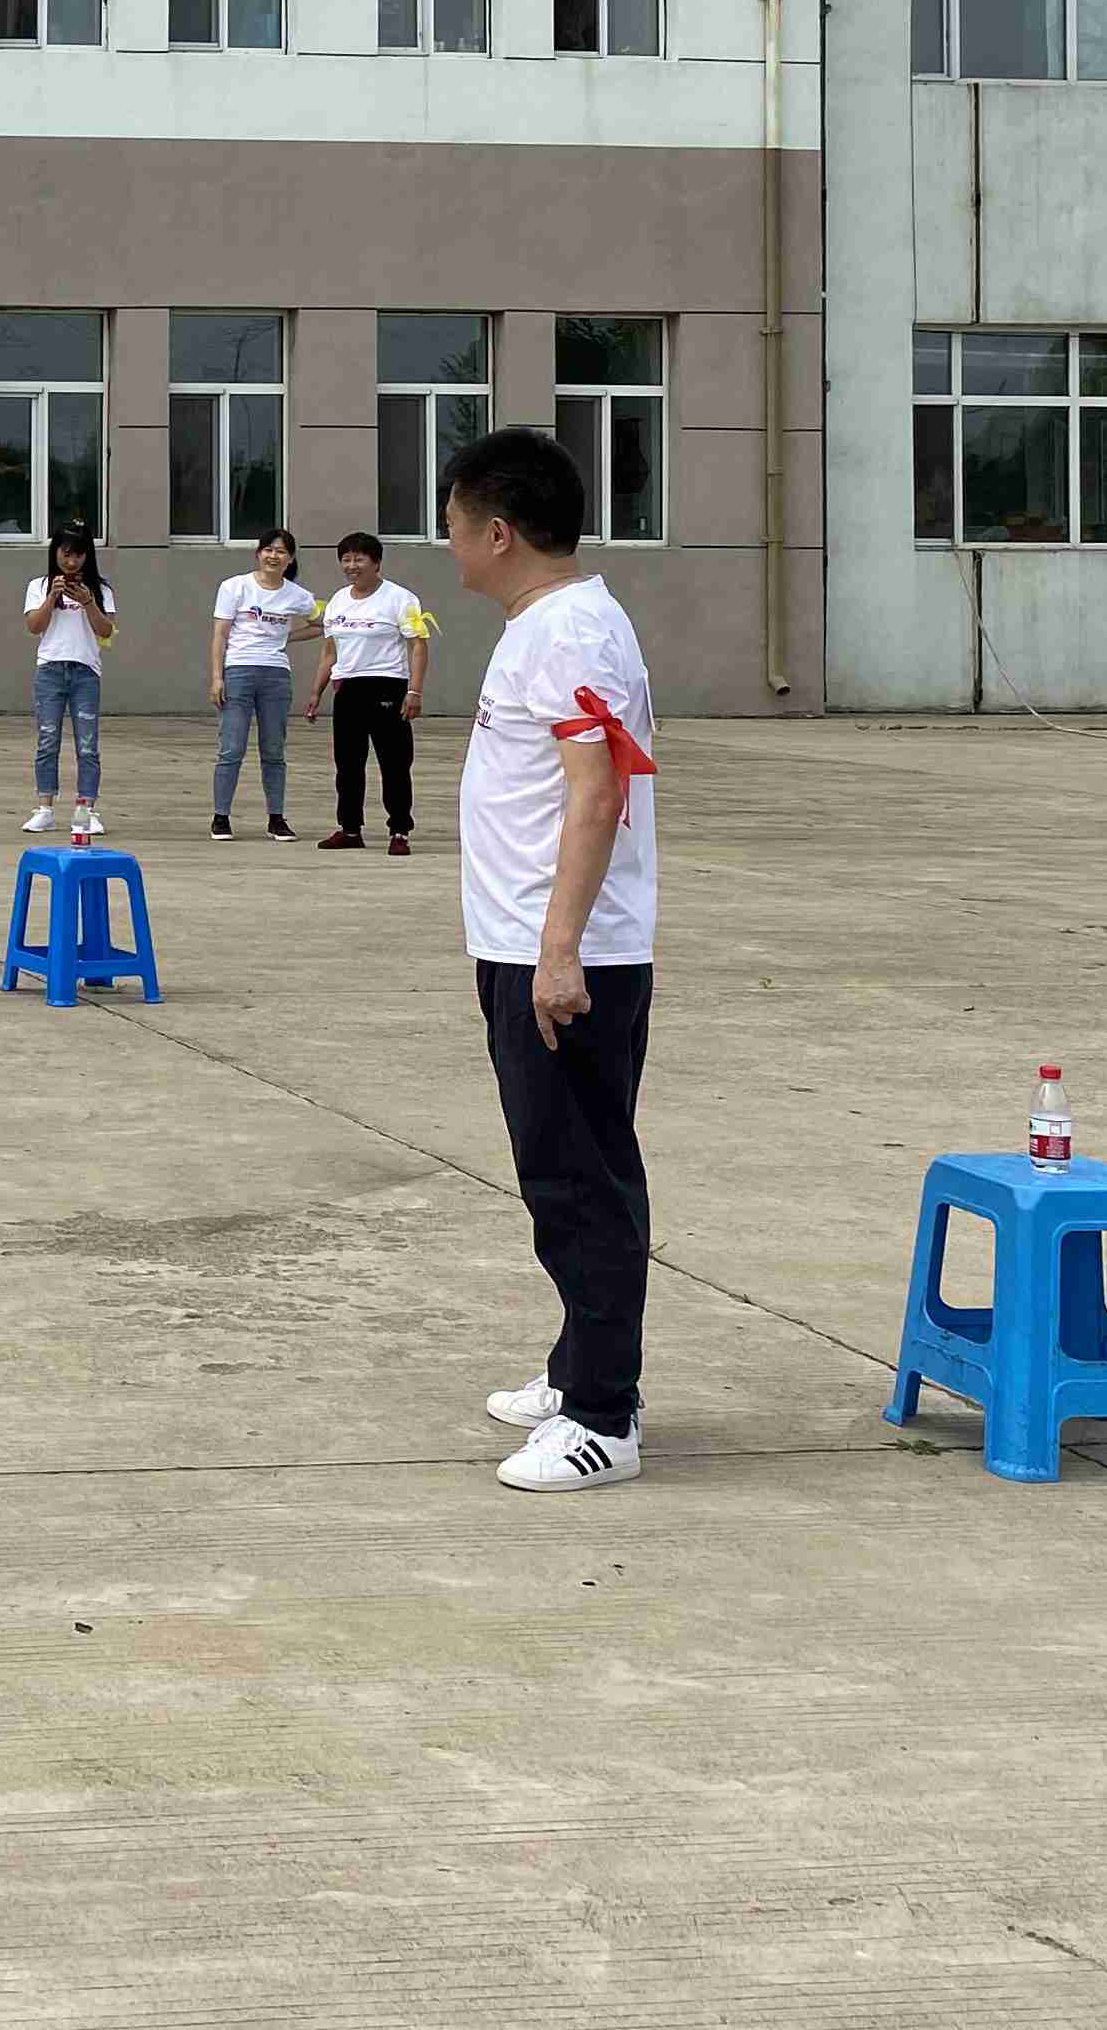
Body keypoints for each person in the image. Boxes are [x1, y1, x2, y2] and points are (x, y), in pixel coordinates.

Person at [445, 426, 661, 1492]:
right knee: (562, 1173)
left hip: (563, 956)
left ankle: (603, 1419)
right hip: (524, 941)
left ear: (498, 531)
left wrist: (560, 950)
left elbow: (596, 789)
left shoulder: (570, 633)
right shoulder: (548, 625)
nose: (448, 544)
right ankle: (581, 1369)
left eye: (453, 524)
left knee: (579, 1181)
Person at [307, 530, 430, 854]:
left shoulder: (400, 598)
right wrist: (316, 692)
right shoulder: (338, 600)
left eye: (359, 559)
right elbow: (329, 652)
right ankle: (350, 829)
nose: (352, 565)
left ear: (376, 562)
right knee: (348, 764)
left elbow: (418, 646)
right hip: (348, 688)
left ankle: (399, 831)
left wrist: (414, 691)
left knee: (394, 763)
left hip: (387, 686)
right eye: (346, 559)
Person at [207, 528, 316, 842]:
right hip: (238, 671)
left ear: (290, 559)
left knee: (273, 750)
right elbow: (220, 635)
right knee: (231, 748)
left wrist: (285, 638)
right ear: (258, 553)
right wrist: (217, 677)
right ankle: (221, 817)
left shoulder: (297, 595)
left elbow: (322, 624)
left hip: (276, 675)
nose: (273, 556)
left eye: (281, 551)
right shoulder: (235, 586)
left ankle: (276, 818)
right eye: (268, 550)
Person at [21, 520, 115, 837]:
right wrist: (52, 597)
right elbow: (34, 626)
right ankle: (45, 809)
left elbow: (106, 631)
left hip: (85, 671)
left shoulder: (101, 590)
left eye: (78, 554)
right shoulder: (39, 585)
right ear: (55, 553)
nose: (71, 561)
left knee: (87, 746)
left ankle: (86, 811)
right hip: (50, 670)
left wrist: (88, 601)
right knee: (47, 741)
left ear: (88, 555)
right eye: (65, 553)